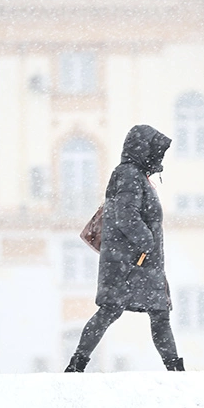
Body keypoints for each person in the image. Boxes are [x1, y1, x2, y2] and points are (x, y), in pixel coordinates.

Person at [65, 124, 185, 373]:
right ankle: (76, 365)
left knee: (159, 313)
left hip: (143, 262)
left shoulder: (138, 176)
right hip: (129, 262)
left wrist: (148, 247)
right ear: (143, 149)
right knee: (110, 310)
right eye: (155, 150)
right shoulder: (129, 174)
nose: (159, 157)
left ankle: (175, 370)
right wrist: (146, 241)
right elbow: (125, 214)